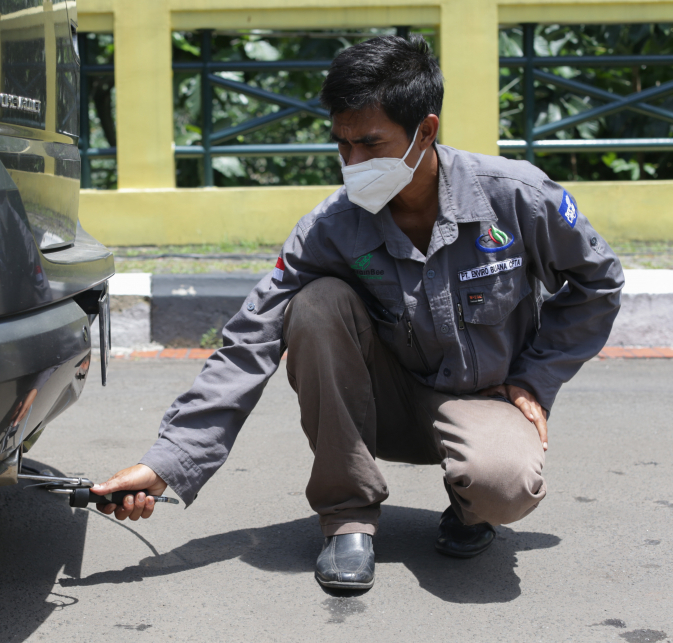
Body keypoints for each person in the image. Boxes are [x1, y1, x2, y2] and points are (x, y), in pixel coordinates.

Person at [91, 35, 624, 590]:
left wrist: (535, 380)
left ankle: (473, 508)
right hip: (382, 407)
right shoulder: (332, 226)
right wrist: (166, 464)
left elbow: (598, 281)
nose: (354, 163)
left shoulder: (517, 197)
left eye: (370, 144)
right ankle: (348, 517)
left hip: (483, 398)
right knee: (315, 304)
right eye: (342, 146)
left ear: (426, 131)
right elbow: (248, 341)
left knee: (503, 487)